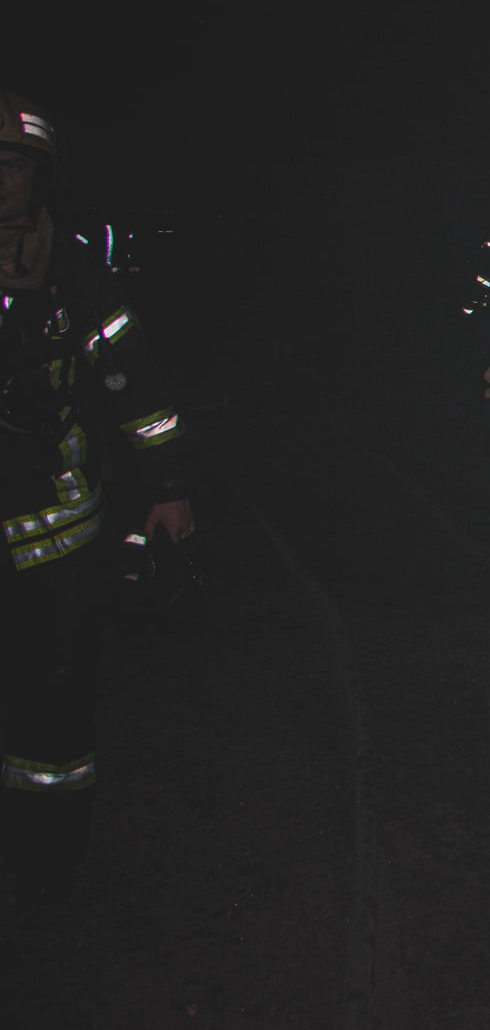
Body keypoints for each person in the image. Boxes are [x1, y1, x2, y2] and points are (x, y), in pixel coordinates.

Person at [0, 91, 195, 910]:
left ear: (39, 178)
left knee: (50, 702)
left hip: (53, 534)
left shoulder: (74, 268)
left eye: (9, 167)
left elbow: (137, 388)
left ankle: (48, 857)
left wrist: (169, 492)